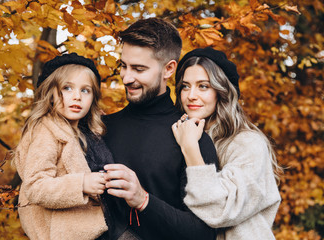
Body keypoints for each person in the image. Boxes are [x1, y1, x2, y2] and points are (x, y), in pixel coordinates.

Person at [102, 18, 218, 240]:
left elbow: (203, 234)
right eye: (123, 66)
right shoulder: (102, 129)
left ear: (168, 69)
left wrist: (143, 200)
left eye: (139, 69)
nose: (127, 78)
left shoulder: (191, 139)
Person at [172, 47, 282, 240]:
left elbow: (219, 209)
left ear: (221, 91)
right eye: (185, 86)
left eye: (203, 86)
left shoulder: (247, 143)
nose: (191, 95)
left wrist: (190, 149)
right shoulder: (177, 134)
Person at [14, 53, 114, 240]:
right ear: (50, 92)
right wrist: (82, 184)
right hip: (63, 232)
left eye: (85, 90)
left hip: (97, 227)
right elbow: (36, 187)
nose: (77, 97)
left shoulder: (85, 131)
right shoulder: (46, 130)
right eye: (67, 88)